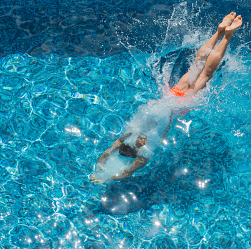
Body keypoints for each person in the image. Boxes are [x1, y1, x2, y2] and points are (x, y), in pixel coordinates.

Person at [91, 13, 242, 182]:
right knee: (197, 64)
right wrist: (98, 168)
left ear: (137, 150)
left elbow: (127, 172)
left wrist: (104, 178)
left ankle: (228, 36)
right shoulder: (129, 134)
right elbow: (106, 153)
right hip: (173, 94)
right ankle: (219, 31)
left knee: (206, 74)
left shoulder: (147, 148)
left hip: (182, 104)